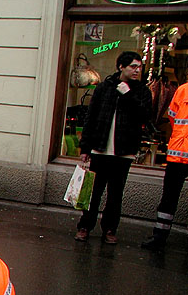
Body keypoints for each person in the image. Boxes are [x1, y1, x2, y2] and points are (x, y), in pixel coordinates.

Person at [74, 51, 152, 244]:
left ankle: (109, 229)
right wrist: (85, 148)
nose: (137, 70)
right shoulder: (104, 88)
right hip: (100, 150)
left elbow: (144, 116)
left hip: (124, 152)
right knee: (93, 192)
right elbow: (91, 117)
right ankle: (85, 226)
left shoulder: (142, 91)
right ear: (121, 67)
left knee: (115, 195)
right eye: (133, 66)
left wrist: (128, 95)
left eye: (139, 67)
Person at [141, 81, 188, 251]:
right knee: (168, 198)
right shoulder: (183, 90)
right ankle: (159, 236)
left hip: (178, 152)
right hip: (177, 155)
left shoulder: (183, 90)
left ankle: (160, 236)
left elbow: (173, 117)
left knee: (169, 198)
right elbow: (173, 116)